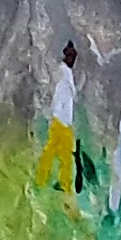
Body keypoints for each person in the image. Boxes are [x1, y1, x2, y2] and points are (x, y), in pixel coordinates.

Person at [39, 41, 82, 195]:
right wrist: (58, 116)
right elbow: (58, 97)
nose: (72, 59)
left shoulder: (66, 74)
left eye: (73, 56)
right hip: (60, 121)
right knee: (54, 152)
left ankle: (62, 184)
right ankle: (44, 179)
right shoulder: (62, 73)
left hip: (64, 121)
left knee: (62, 155)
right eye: (70, 56)